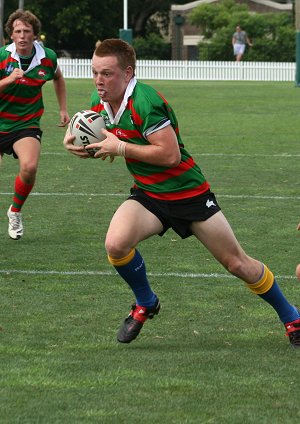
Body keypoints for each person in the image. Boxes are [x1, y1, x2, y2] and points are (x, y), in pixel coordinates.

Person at [63, 38, 300, 347]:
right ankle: (146, 302)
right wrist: (72, 143)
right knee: (116, 244)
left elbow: (169, 155)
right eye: (94, 72)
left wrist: (119, 147)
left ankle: (291, 317)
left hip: (188, 194)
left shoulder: (146, 102)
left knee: (237, 263)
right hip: (149, 196)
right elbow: (83, 130)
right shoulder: (103, 102)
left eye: (106, 73)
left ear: (128, 73)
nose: (98, 80)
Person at [0, 9, 70, 239]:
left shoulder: (47, 57)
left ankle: (15, 211)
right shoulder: (2, 57)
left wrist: (62, 109)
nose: (22, 35)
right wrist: (9, 80)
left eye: (26, 31)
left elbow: (58, 78)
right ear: (11, 35)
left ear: (35, 35)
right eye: (17, 31)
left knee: (29, 168)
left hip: (26, 123)